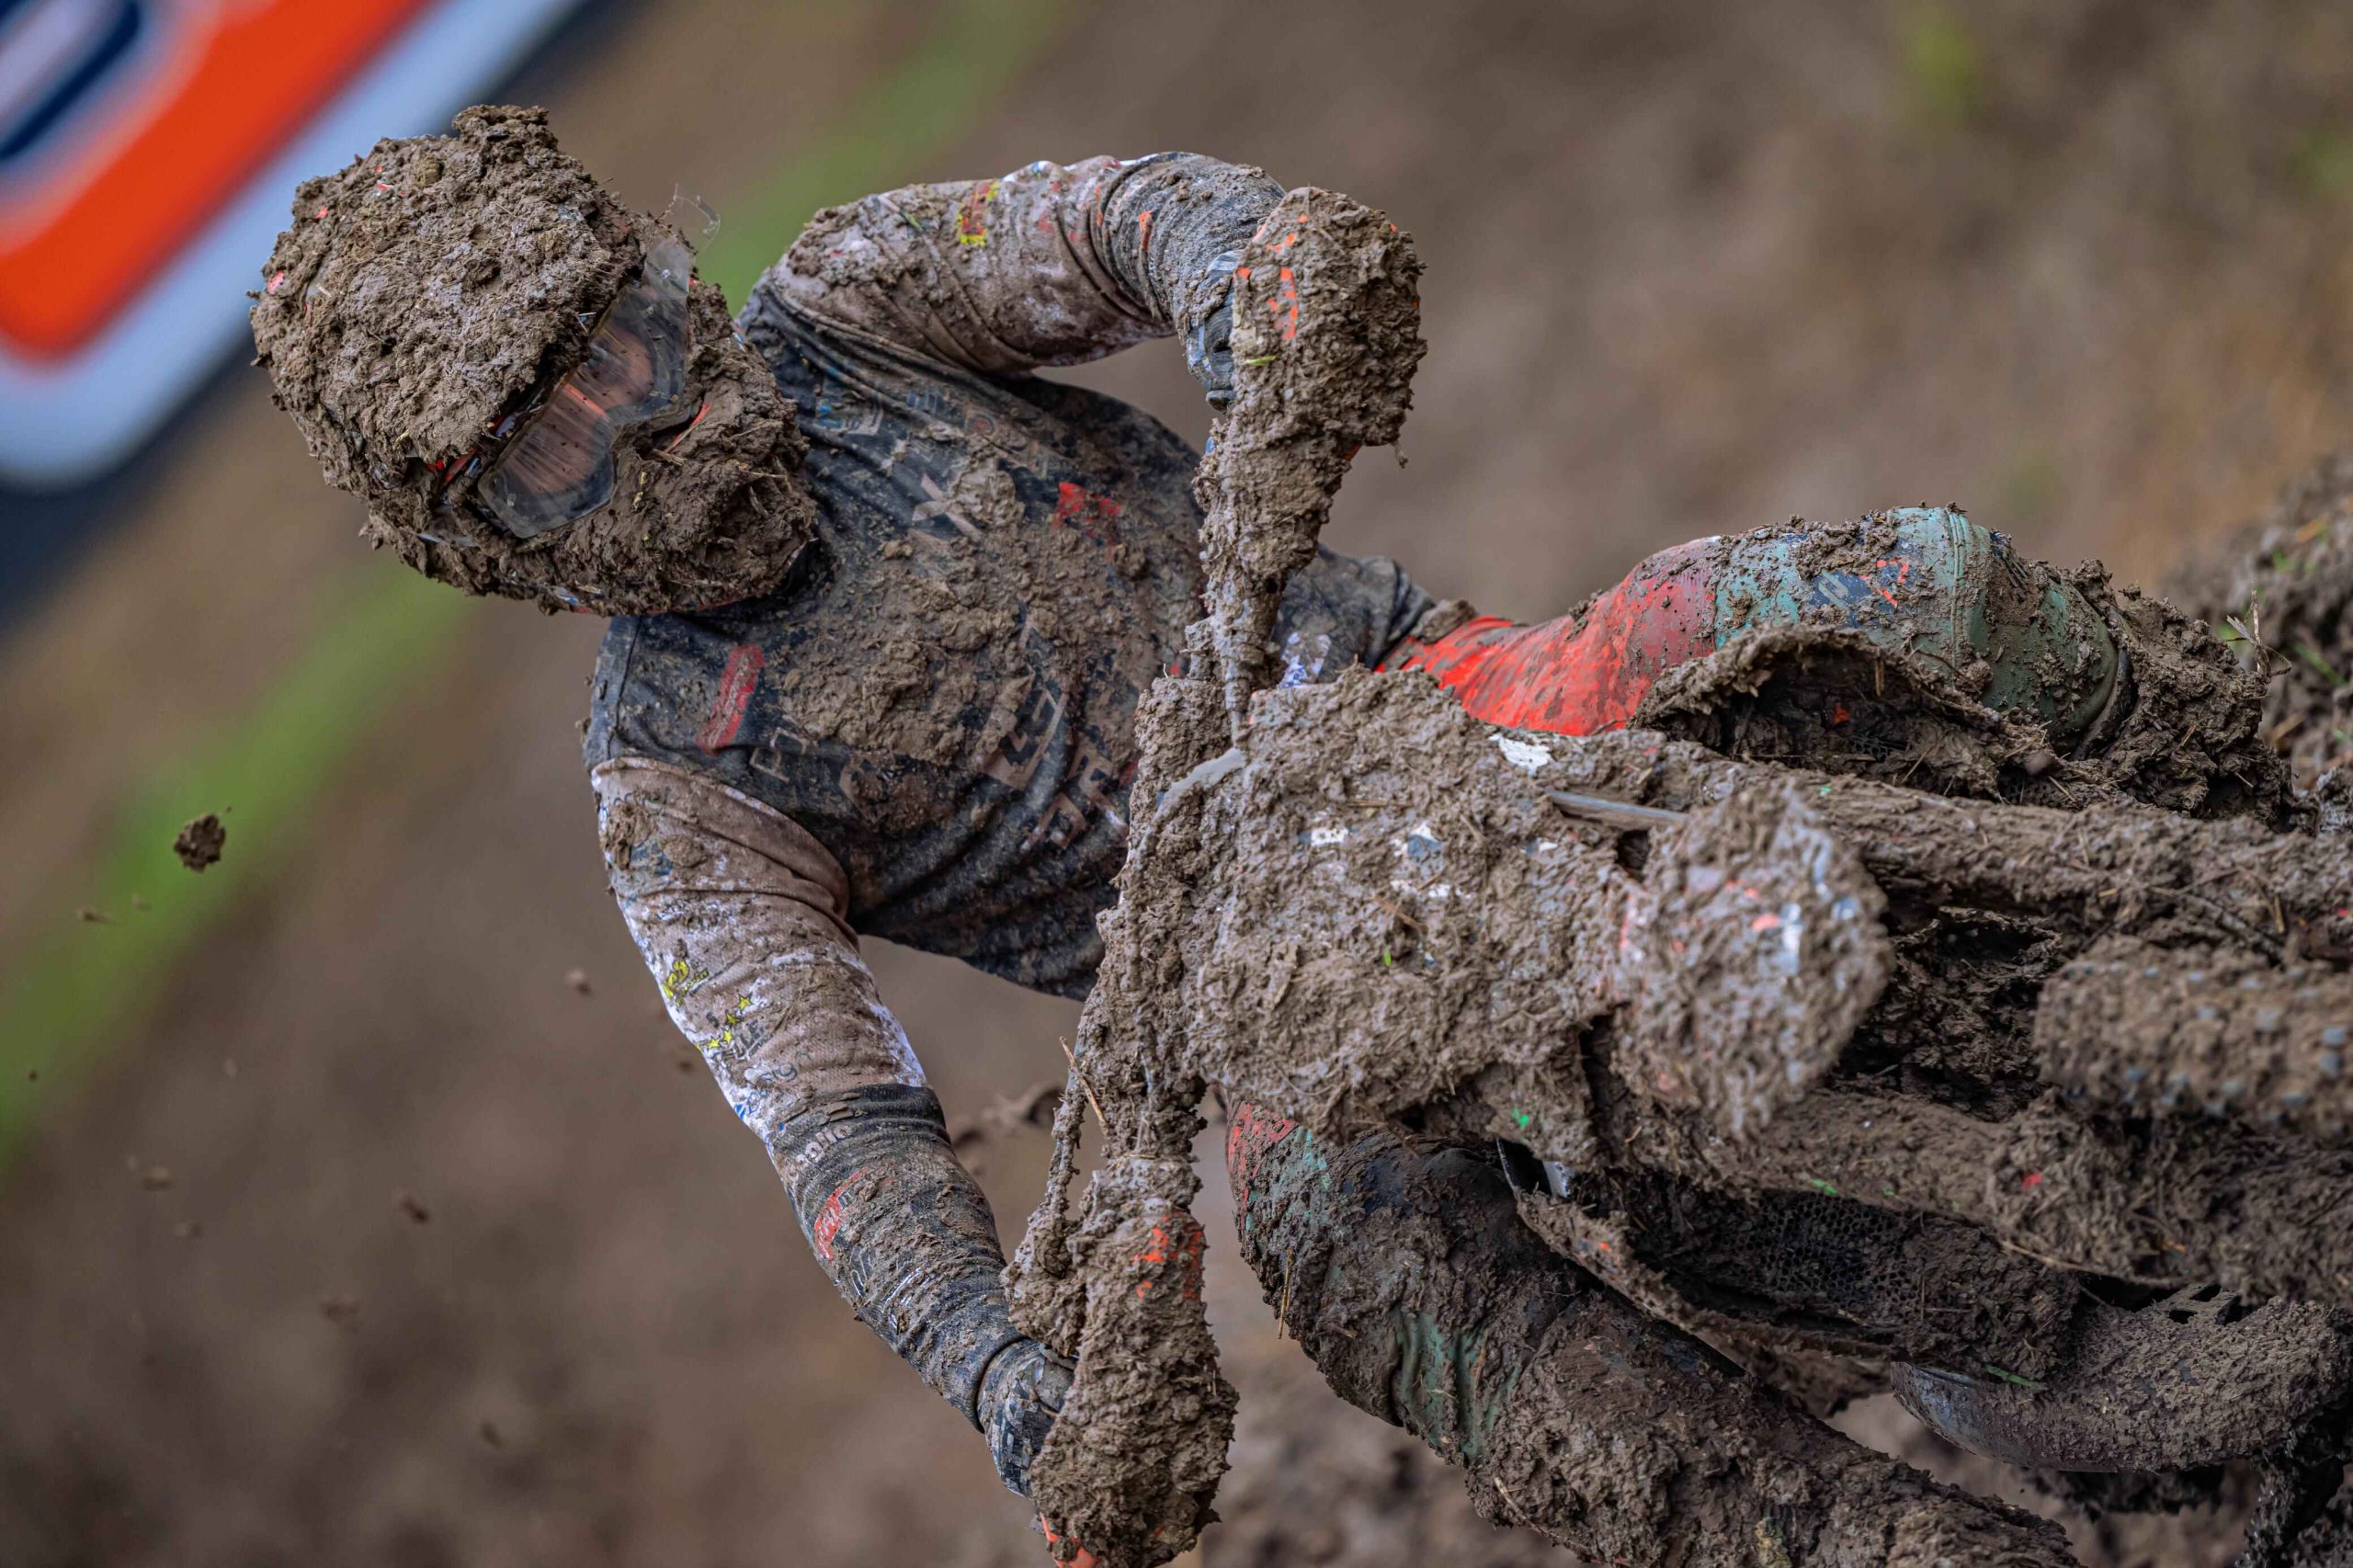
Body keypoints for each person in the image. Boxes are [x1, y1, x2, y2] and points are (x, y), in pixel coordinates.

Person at [256, 106, 2232, 1549]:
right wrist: (1019, 1394)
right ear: (475, 543)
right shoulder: (676, 795)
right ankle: (1866, 1539)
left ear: (661, 279)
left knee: (1917, 585)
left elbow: (1120, 223)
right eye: (541, 444)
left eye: (619, 344)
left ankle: (2232, 753)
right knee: (1399, 1313)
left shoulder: (851, 301)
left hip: (1448, 698)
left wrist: (1256, 284)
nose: (632, 422)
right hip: (1270, 1024)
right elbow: (837, 1138)